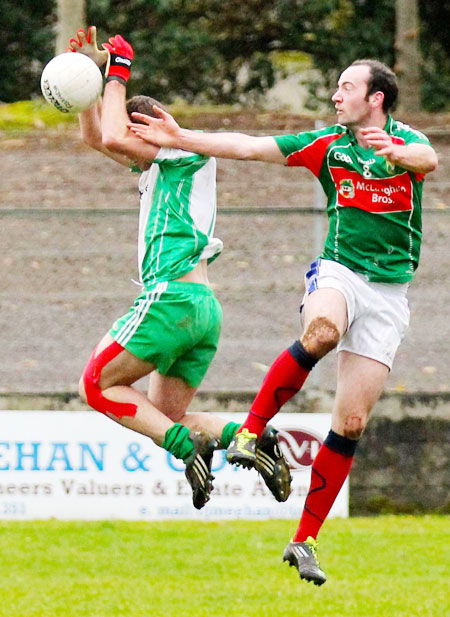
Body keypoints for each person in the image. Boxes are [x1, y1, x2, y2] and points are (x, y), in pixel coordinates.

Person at [128, 58, 438, 583]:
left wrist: (397, 152)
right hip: (340, 272)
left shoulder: (406, 141)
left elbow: (427, 159)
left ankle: (303, 542)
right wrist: (182, 135)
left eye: (347, 87)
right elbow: (248, 145)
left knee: (352, 423)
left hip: (389, 295)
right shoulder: (327, 146)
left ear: (377, 99)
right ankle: (250, 431)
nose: (336, 95)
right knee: (322, 332)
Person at [66, 27, 291, 511]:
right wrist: (87, 82)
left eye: (127, 134)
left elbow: (109, 134)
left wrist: (118, 69)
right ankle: (252, 436)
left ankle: (188, 450)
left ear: (142, 130)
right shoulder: (167, 164)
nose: (119, 146)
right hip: (202, 309)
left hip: (170, 299)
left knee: (97, 385)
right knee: (166, 415)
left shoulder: (179, 150)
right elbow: (96, 136)